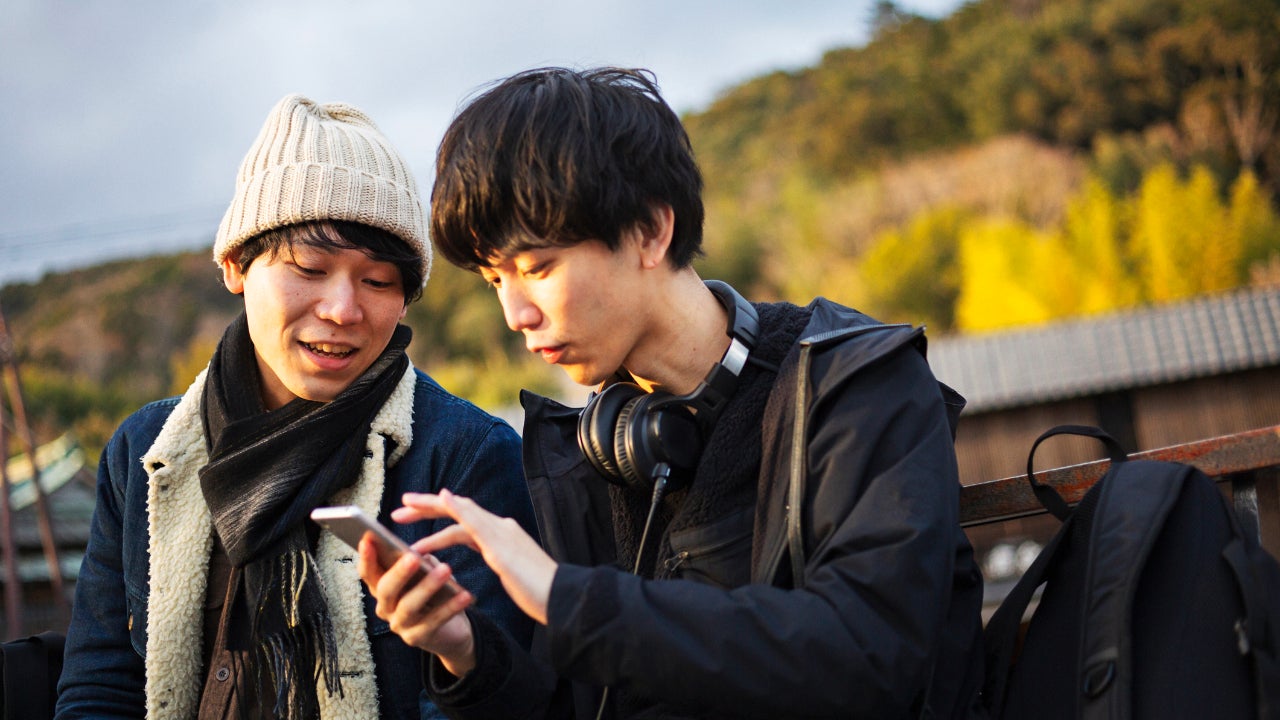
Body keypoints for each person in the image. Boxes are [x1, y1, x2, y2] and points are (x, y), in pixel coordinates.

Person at [359, 67, 985, 719]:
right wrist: (464, 650)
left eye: (537, 268)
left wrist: (562, 595)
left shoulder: (859, 387)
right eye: (494, 280)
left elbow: (868, 656)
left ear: (652, 231)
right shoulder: (591, 452)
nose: (515, 312)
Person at [55, 94, 538, 720]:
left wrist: (458, 651)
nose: (343, 309)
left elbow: (502, 697)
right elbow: (100, 684)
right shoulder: (146, 451)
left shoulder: (464, 458)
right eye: (309, 267)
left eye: (378, 281)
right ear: (235, 265)